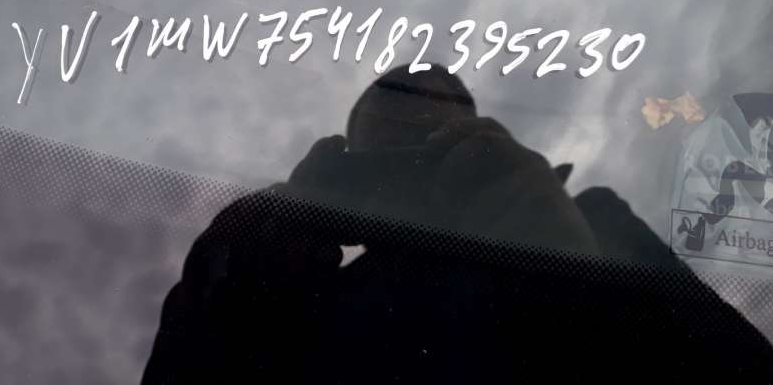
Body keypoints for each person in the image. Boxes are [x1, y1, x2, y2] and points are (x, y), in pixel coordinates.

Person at [143, 65, 773, 383]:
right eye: (391, 149)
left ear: (480, 140)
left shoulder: (592, 225)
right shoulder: (303, 298)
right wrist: (281, 226)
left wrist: (557, 258)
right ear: (350, 163)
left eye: (432, 142)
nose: (410, 166)